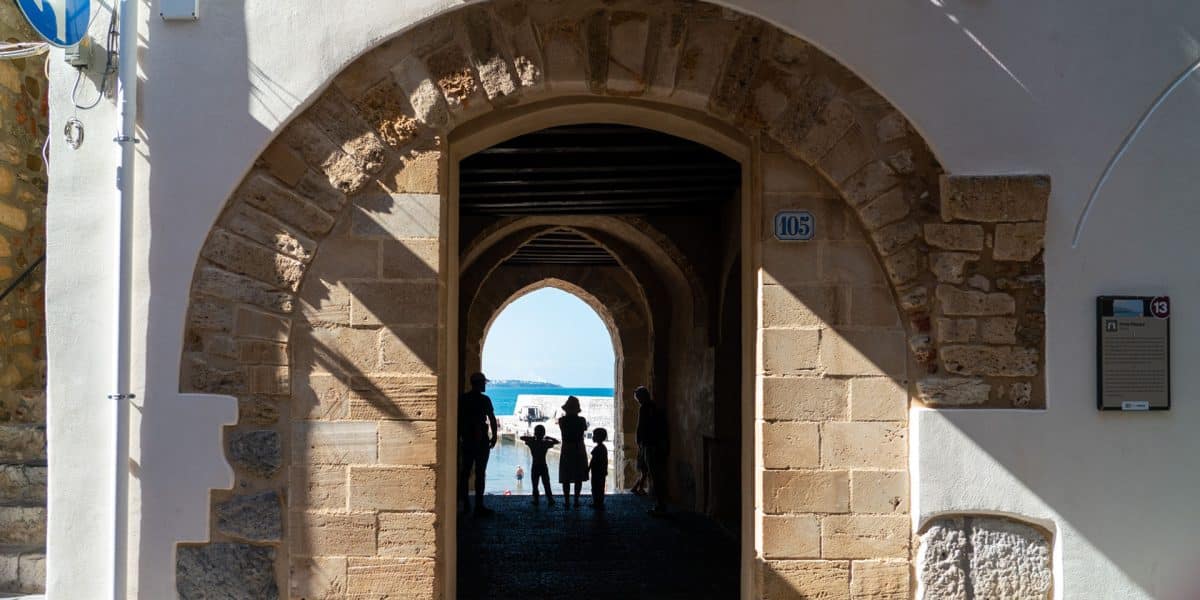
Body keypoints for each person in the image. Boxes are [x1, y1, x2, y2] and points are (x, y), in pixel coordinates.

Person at [458, 372, 498, 516]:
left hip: (468, 439)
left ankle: (466, 503)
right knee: (480, 473)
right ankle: (478, 505)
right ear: (479, 384)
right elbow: (492, 419)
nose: (485, 385)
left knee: (465, 472)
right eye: (483, 383)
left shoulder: (463, 399)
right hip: (481, 440)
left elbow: (460, 419)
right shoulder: (485, 400)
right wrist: (494, 436)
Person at [634, 386, 668, 516]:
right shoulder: (655, 407)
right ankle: (660, 502)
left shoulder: (644, 408)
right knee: (656, 474)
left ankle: (660, 505)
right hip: (656, 444)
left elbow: (641, 427)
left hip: (648, 444)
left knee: (654, 474)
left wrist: (639, 441)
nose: (637, 400)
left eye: (638, 397)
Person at [557, 395, 589, 508]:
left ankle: (566, 501)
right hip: (579, 448)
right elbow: (585, 428)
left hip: (566, 448)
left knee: (566, 476)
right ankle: (576, 500)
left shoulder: (562, 420)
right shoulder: (581, 420)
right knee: (578, 476)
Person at [520, 424, 559, 505]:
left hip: (535, 465)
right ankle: (550, 499)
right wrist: (549, 438)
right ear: (543, 433)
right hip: (543, 465)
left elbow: (522, 438)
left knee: (535, 484)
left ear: (535, 433)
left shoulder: (532, 442)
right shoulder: (545, 443)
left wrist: (533, 437)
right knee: (546, 483)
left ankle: (536, 500)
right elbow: (557, 442)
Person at [589, 427, 609, 510]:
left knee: (595, 486)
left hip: (596, 471)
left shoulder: (597, 449)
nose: (593, 437)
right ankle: (600, 502)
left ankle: (596, 502)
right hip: (602, 471)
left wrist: (588, 468)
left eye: (594, 436)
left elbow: (593, 460)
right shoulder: (604, 448)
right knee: (601, 487)